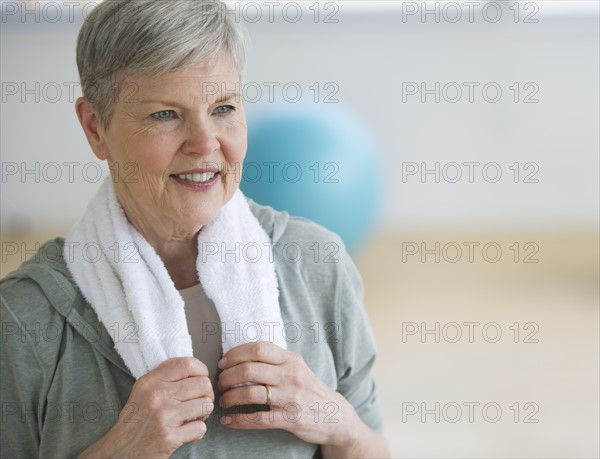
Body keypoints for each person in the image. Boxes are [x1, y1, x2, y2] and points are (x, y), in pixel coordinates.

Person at [0, 1, 389, 457]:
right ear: (95, 127)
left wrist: (340, 424)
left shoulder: (319, 266)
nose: (205, 143)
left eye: (223, 108)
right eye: (165, 114)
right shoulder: (24, 318)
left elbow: (371, 446)